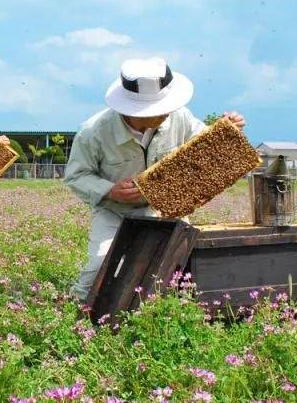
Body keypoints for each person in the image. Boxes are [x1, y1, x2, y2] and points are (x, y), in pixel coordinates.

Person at [63, 58, 246, 301]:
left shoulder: (180, 117)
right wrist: (110, 190)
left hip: (165, 208)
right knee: (100, 264)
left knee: (183, 263)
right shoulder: (93, 131)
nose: (166, 112)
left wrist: (226, 129)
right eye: (159, 109)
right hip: (114, 211)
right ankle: (79, 308)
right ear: (131, 110)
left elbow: (205, 143)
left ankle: (174, 310)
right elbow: (76, 176)